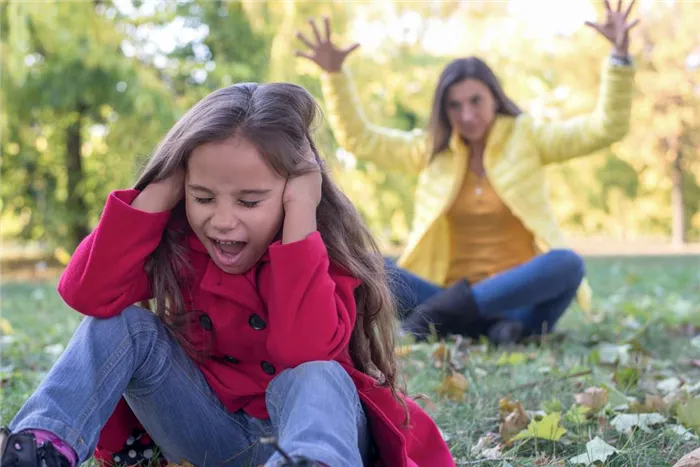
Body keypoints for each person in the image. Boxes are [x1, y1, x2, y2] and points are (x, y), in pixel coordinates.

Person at [0, 82, 455, 467]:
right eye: (203, 197)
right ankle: (41, 446)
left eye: (249, 201)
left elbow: (303, 351)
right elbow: (89, 293)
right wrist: (162, 185)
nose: (222, 220)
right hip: (210, 433)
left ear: (294, 190)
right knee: (122, 325)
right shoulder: (180, 248)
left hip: (314, 435)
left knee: (317, 374)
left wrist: (300, 220)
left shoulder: (320, 254)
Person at [295, 0, 639, 344]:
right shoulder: (432, 149)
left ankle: (453, 322)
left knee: (567, 264)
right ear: (443, 110)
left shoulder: (527, 137)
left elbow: (604, 129)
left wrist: (619, 59)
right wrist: (334, 74)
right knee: (370, 263)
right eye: (455, 105)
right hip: (440, 295)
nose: (467, 115)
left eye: (476, 101)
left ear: (495, 97)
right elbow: (361, 140)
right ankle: (484, 328)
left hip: (517, 303)